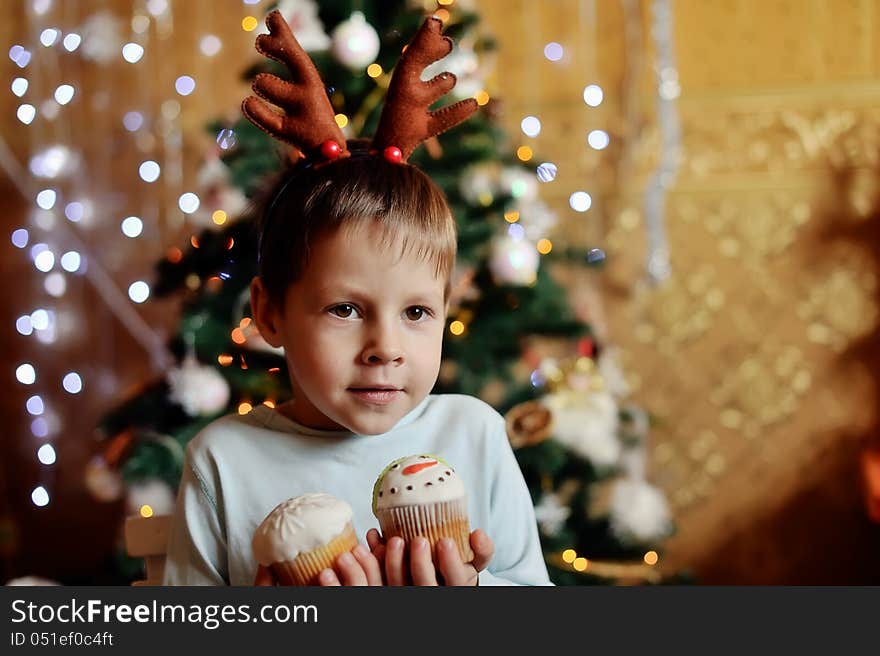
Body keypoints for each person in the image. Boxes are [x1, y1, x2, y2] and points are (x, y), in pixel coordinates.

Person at [161, 11, 551, 587]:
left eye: (416, 312)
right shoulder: (222, 462)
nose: (385, 348)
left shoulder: (474, 435)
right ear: (269, 312)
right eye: (345, 309)